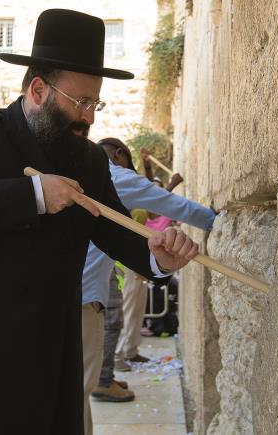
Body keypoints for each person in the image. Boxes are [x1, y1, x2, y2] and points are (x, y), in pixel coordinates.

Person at [0, 9, 199, 435]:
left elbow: (114, 230)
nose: (90, 117)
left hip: (47, 353)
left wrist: (159, 257)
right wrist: (34, 195)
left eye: (95, 103)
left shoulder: (89, 159)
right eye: (82, 102)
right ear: (38, 90)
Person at [84, 137, 214, 425]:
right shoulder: (116, 176)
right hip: (86, 292)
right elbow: (172, 205)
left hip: (86, 283)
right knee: (79, 393)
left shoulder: (87, 174)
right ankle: (105, 380)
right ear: (119, 155)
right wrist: (213, 220)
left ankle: (106, 376)